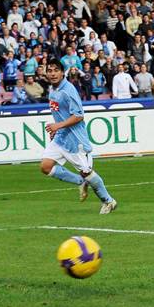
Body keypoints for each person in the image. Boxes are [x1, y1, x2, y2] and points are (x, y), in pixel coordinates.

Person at [40, 59, 117, 215]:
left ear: (62, 72)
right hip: (61, 137)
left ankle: (108, 201)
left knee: (87, 172)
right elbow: (61, 113)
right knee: (45, 167)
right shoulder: (53, 90)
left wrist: (57, 126)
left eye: (56, 70)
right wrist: (56, 128)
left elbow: (79, 115)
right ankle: (80, 182)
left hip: (75, 140)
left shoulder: (68, 90)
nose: (53, 73)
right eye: (50, 70)